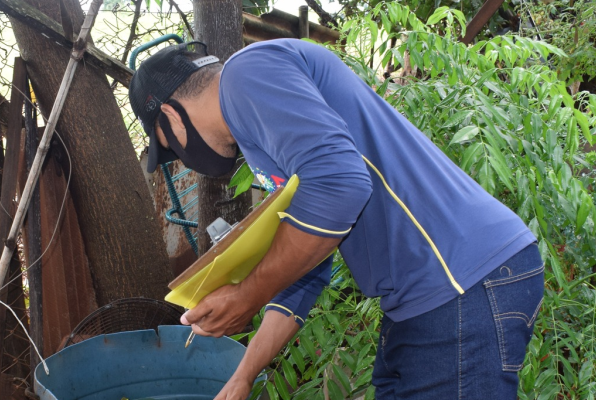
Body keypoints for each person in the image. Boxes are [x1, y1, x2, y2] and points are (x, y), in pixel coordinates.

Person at [129, 39, 544, 399]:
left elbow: (342, 186)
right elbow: (306, 267)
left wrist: (246, 296)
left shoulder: (245, 74)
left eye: (168, 148)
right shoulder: (261, 131)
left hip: (461, 280)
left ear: (170, 114)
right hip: (423, 298)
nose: (182, 161)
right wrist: (243, 376)